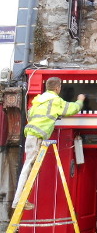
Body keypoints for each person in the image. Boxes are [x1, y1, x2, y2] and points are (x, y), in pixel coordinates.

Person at [12, 76, 85, 210]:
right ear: (58, 88)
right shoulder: (55, 100)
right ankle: (18, 200)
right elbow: (72, 108)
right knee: (28, 167)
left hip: (32, 135)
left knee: (32, 168)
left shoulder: (39, 100)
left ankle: (22, 199)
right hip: (37, 137)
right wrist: (80, 100)